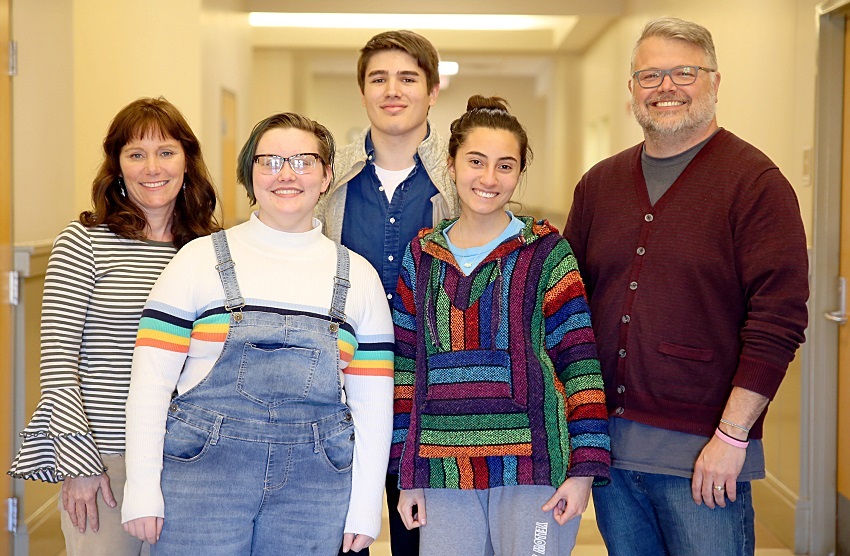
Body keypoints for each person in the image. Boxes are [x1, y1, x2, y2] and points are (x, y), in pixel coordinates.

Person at [563, 17, 809, 555]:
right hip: (610, 450)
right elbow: (567, 308)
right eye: (650, 75)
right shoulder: (599, 185)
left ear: (715, 83)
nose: (666, 87)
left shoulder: (755, 184)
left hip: (704, 458)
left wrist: (731, 437)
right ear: (631, 89)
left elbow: (779, 321)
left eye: (684, 72)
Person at [121, 112, 394, 555]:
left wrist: (365, 506)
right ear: (250, 174)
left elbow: (373, 405)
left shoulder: (358, 278)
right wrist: (142, 488)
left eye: (304, 161)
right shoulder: (196, 260)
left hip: (315, 491)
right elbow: (150, 384)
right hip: (201, 484)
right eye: (270, 161)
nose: (286, 174)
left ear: (327, 176)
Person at [391, 95, 611, 556]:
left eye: (505, 166)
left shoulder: (548, 252)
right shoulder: (422, 255)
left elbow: (580, 364)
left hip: (536, 468)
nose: (489, 179)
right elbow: (407, 371)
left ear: (518, 173)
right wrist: (405, 474)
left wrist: (584, 470)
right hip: (443, 468)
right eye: (476, 161)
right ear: (451, 165)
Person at [7, 97, 220, 556]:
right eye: (135, 154)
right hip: (107, 461)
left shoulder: (209, 251)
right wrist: (80, 463)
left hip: (189, 459)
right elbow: (58, 366)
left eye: (165, 151)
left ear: (187, 160)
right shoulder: (84, 242)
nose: (152, 167)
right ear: (117, 166)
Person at [316, 29, 459, 556]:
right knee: (336, 538)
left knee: (418, 543)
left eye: (407, 78)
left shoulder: (461, 179)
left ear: (432, 90)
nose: (392, 90)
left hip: (428, 393)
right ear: (363, 91)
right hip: (339, 391)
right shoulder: (329, 180)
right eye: (379, 78)